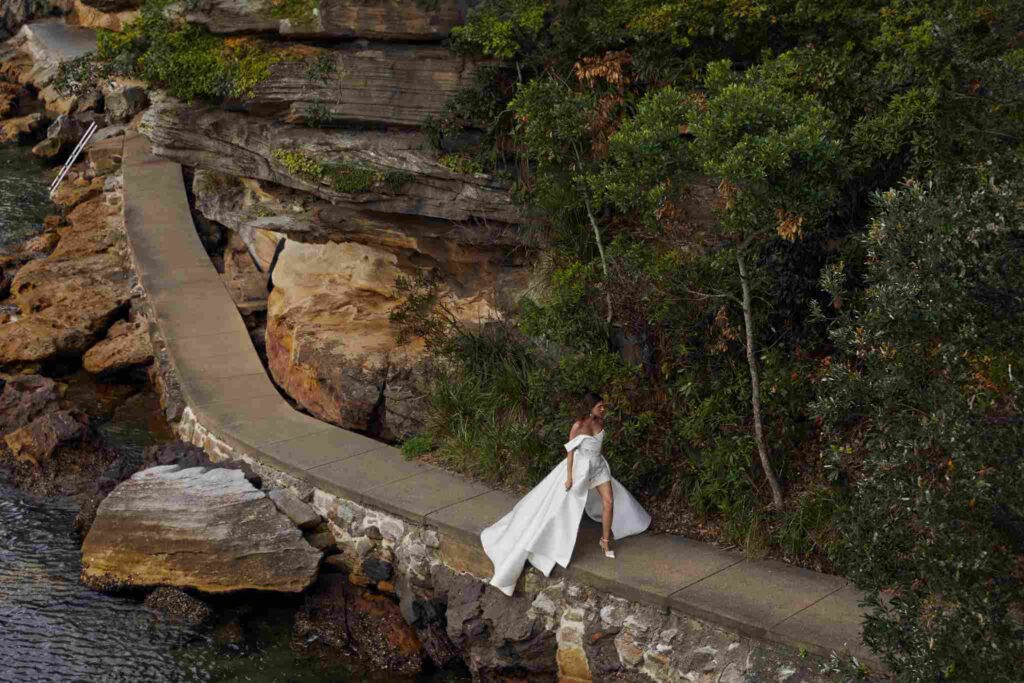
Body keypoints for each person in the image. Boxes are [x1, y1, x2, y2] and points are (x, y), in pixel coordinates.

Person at [480, 392, 652, 596]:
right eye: (600, 406)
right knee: (561, 507)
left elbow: (598, 446)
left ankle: (605, 542)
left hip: (599, 468)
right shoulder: (578, 426)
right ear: (590, 408)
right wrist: (569, 477)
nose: (603, 409)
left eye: (603, 406)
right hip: (580, 469)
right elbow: (570, 453)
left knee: (609, 501)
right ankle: (546, 540)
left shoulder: (601, 421)